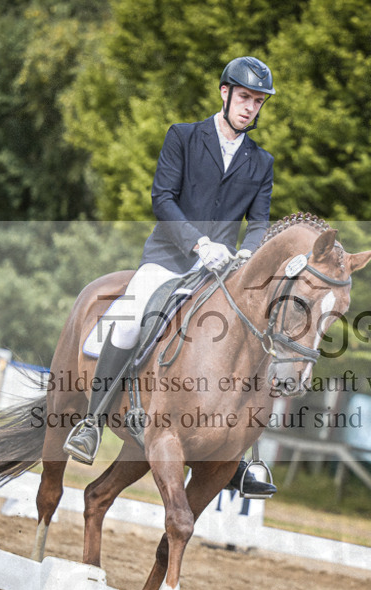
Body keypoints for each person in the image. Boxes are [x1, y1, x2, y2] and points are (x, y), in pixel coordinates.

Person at [64, 56, 278, 497]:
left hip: (222, 272)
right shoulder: (183, 136)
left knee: (255, 339)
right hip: (169, 258)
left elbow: (259, 221)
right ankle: (91, 422)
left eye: (258, 102)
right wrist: (199, 244)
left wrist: (248, 253)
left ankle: (239, 453)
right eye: (244, 98)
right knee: (129, 321)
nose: (250, 108)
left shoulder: (262, 162)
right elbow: (162, 197)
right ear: (224, 93)